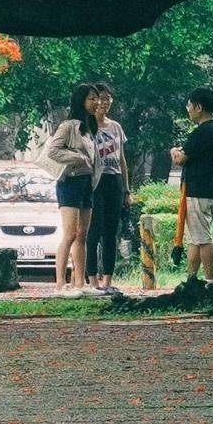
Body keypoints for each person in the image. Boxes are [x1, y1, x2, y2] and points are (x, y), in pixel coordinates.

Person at [38, 89, 100, 290]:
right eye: (92, 99)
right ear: (81, 101)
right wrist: (77, 157)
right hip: (69, 183)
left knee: (83, 234)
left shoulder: (89, 127)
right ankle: (59, 283)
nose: (96, 103)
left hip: (86, 183)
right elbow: (53, 151)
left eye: (96, 99)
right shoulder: (67, 126)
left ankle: (80, 283)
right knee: (70, 233)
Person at [173, 87, 213, 283]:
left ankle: (211, 281)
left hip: (198, 191)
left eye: (189, 104)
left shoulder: (202, 131)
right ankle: (191, 280)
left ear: (199, 107)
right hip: (210, 191)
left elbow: (180, 158)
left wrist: (173, 150)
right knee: (195, 239)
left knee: (203, 239)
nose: (187, 108)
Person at [83, 83, 132, 291]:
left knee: (111, 232)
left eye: (107, 98)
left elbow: (121, 159)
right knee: (93, 231)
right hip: (95, 181)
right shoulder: (86, 126)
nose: (104, 102)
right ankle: (92, 279)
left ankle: (108, 281)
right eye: (100, 98)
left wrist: (127, 189)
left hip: (114, 181)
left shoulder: (116, 127)